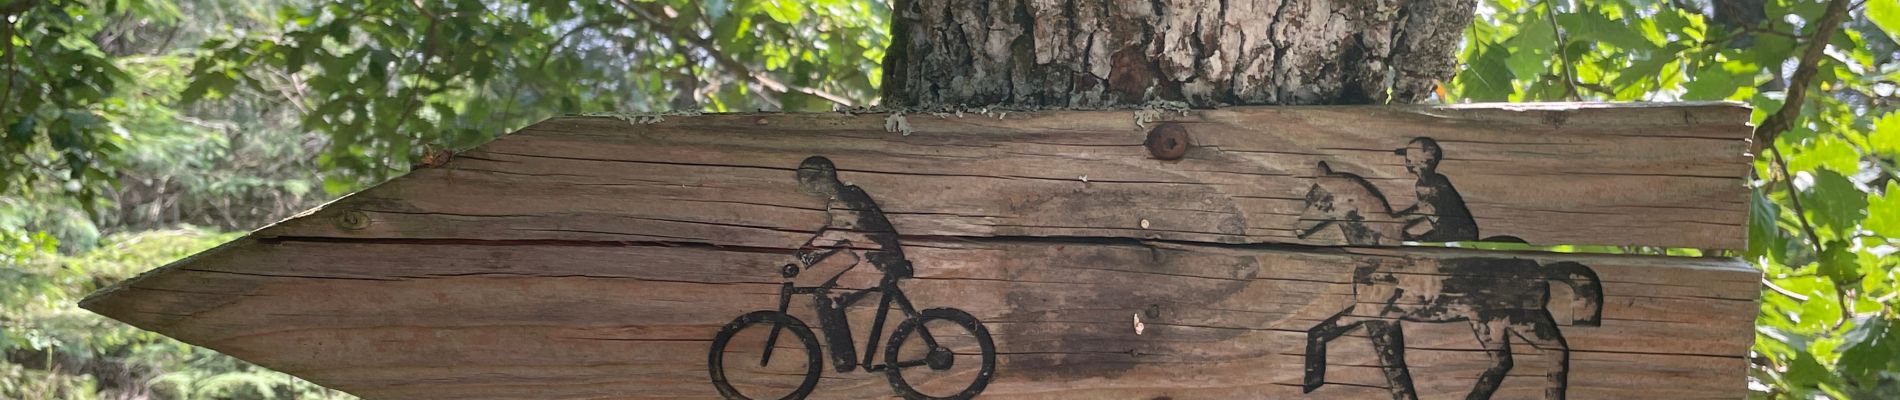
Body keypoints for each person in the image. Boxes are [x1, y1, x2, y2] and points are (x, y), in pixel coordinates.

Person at [786, 156, 913, 372]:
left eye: (809, 183)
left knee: (826, 299)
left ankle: (844, 361)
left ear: (822, 179)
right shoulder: (850, 193)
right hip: (878, 258)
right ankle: (847, 359)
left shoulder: (843, 202)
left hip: (879, 262)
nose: (808, 189)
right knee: (826, 296)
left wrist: (804, 256)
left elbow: (835, 233)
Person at [1394, 137, 1479, 242]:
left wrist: (1395, 222)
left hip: (1460, 233)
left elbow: (1426, 208)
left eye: (1413, 156)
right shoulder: (1420, 184)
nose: (1407, 161)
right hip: (1443, 230)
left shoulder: (1437, 182)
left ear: (1426, 160)